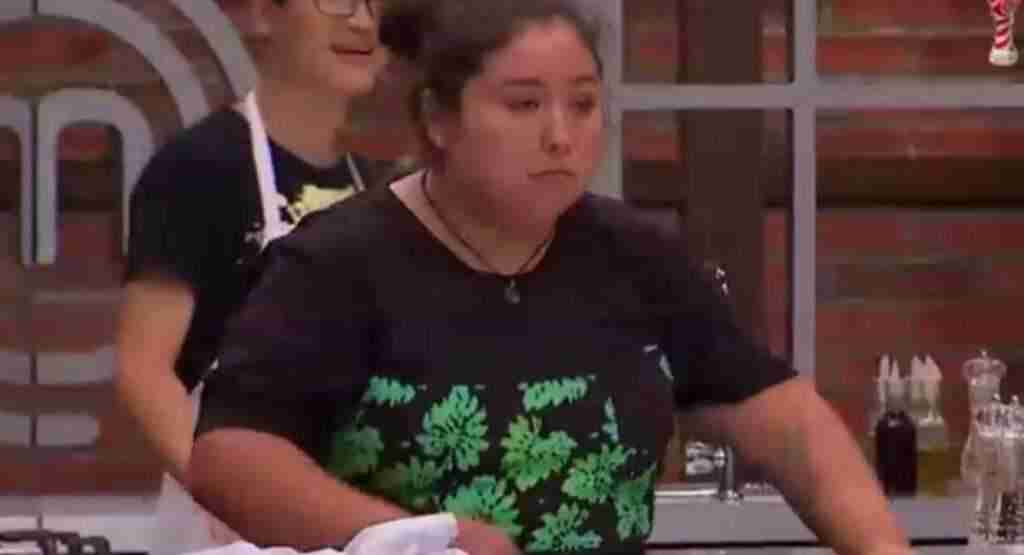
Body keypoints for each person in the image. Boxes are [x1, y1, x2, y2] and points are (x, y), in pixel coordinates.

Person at [187, 1, 915, 554]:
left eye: (584, 104)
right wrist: (422, 539)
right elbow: (232, 457)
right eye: (524, 104)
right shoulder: (338, 265)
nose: (561, 136)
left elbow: (791, 427)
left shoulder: (637, 257)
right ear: (438, 119)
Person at [113, 0, 386, 553]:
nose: (361, 20)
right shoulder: (200, 167)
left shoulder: (375, 180)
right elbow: (143, 370)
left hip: (349, 507)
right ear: (265, 13)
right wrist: (234, 494)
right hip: (229, 522)